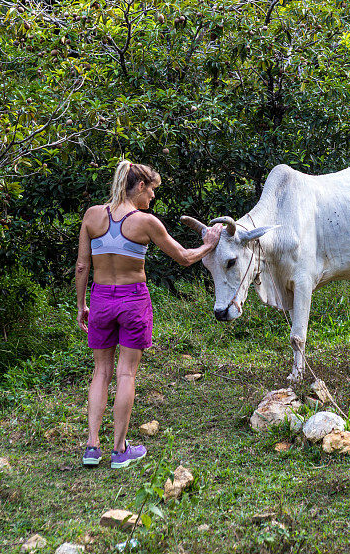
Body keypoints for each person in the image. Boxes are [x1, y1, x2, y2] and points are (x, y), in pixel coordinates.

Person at [75, 159, 222, 468]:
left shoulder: (92, 216)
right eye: (152, 190)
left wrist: (81, 305)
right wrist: (209, 244)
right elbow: (183, 257)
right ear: (140, 186)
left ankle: (91, 447)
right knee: (126, 373)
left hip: (100, 298)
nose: (153, 197)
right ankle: (119, 451)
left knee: (101, 372)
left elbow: (82, 266)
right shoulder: (145, 222)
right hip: (132, 300)